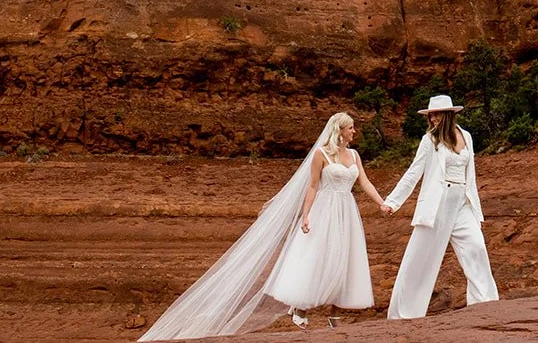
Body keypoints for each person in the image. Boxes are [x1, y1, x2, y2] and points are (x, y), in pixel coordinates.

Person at [140, 112, 387, 339]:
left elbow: (365, 183)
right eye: (351, 128)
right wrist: (306, 215)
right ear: (339, 130)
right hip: (325, 208)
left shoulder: (354, 156)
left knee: (343, 258)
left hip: (346, 210)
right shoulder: (320, 155)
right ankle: (300, 308)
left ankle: (335, 314)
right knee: (318, 256)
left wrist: (381, 203)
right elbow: (312, 186)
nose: (354, 132)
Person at [381, 94, 500, 319]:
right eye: (430, 114)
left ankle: (485, 303)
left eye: (436, 113)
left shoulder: (467, 136)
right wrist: (392, 202)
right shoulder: (430, 140)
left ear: (447, 114)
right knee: (419, 257)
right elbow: (413, 172)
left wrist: (477, 213)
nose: (432, 118)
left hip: (462, 202)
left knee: (476, 247)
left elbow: (471, 177)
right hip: (437, 204)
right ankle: (403, 313)